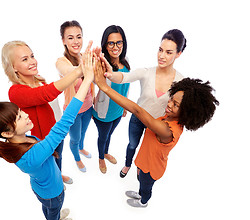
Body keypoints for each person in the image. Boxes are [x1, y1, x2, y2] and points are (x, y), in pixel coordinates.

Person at [0, 50, 95, 220]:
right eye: (19, 117)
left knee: (49, 206)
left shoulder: (21, 141)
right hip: (53, 193)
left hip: (43, 188)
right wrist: (86, 80)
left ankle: (52, 214)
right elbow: (64, 123)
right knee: (54, 206)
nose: (25, 114)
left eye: (20, 112)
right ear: (7, 133)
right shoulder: (31, 156)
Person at [94, 59, 219, 208]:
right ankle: (140, 192)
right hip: (145, 160)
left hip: (152, 167)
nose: (169, 104)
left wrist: (104, 87)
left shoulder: (168, 130)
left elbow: (137, 110)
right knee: (140, 178)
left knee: (146, 185)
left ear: (188, 112)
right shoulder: (171, 117)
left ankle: (143, 201)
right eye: (171, 99)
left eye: (176, 105)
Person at [2, 40, 92, 184]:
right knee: (49, 166)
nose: (32, 61)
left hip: (56, 133)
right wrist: (80, 70)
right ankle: (55, 183)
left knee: (59, 158)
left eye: (32, 56)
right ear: (13, 67)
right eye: (25, 59)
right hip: (42, 142)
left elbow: (52, 107)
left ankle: (59, 175)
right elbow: (48, 93)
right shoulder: (16, 92)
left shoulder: (39, 80)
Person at [100, 29, 187, 178]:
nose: (161, 56)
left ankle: (140, 168)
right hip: (137, 120)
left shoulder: (180, 82)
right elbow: (123, 77)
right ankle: (128, 164)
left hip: (157, 125)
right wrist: (109, 73)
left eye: (168, 52)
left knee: (147, 150)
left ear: (178, 54)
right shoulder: (146, 72)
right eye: (160, 50)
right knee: (132, 145)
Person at [56, 20, 95, 172]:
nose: (76, 41)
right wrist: (84, 66)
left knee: (83, 133)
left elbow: (93, 84)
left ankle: (81, 148)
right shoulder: (61, 62)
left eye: (79, 37)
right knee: (74, 138)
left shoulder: (85, 56)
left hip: (88, 107)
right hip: (74, 111)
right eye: (70, 37)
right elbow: (69, 71)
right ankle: (77, 158)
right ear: (64, 41)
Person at [92, 25, 130, 174]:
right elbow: (94, 79)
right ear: (105, 45)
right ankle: (101, 157)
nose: (115, 47)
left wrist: (125, 106)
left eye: (119, 42)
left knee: (110, 135)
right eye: (111, 43)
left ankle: (105, 152)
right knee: (103, 137)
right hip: (104, 113)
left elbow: (125, 85)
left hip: (118, 110)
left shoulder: (125, 62)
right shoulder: (102, 65)